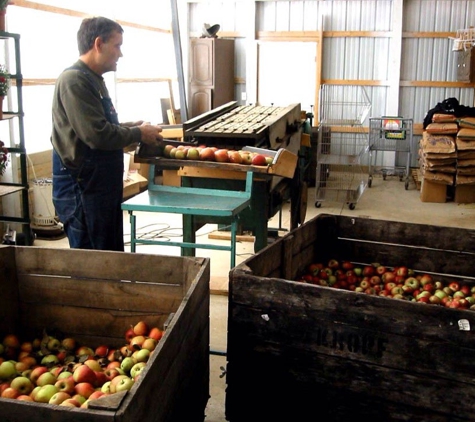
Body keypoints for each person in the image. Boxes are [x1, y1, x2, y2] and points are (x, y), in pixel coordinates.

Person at [51, 16, 162, 251]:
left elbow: (99, 124)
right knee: (92, 260)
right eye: (117, 45)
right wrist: (138, 133)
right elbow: (96, 135)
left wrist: (134, 127)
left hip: (100, 185)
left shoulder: (93, 80)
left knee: (109, 254)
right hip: (82, 187)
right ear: (98, 44)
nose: (120, 54)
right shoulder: (74, 81)